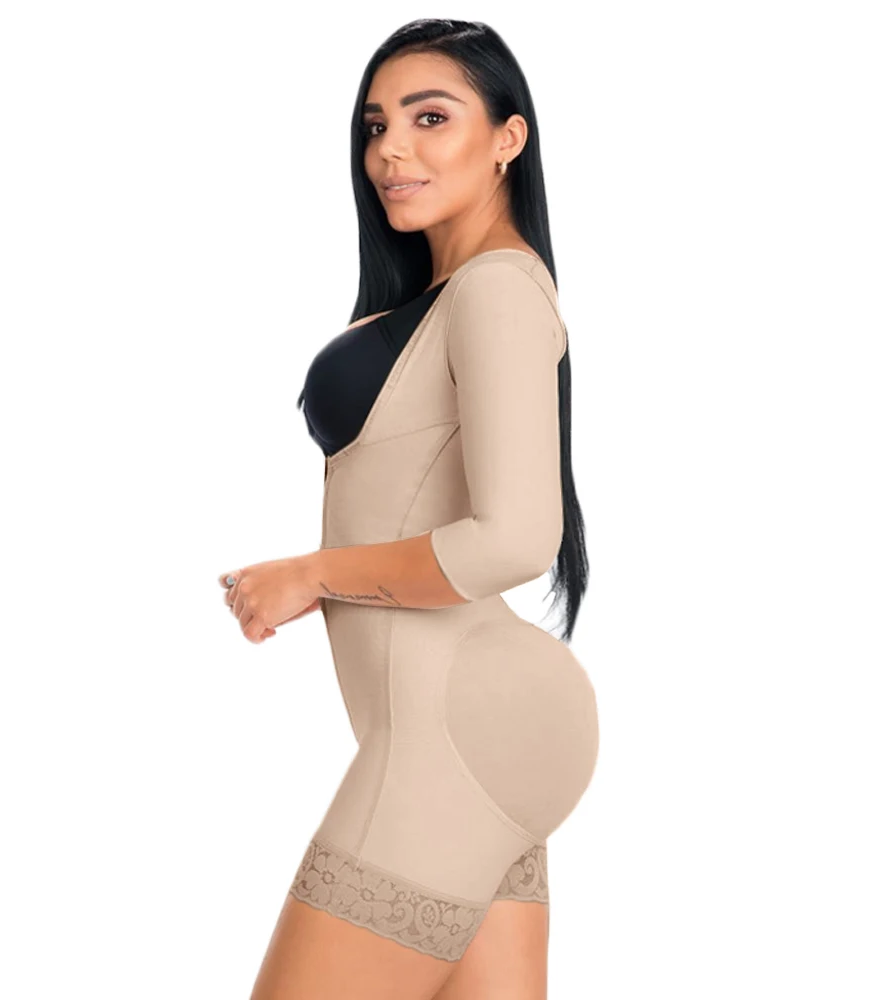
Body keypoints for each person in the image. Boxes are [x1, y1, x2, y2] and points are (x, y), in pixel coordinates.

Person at [219, 19, 598, 1000]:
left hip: (454, 726)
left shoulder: (497, 289)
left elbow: (516, 537)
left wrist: (309, 574)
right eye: (376, 124)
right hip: (487, 727)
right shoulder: (450, 293)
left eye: (432, 118)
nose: (392, 149)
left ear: (508, 137)